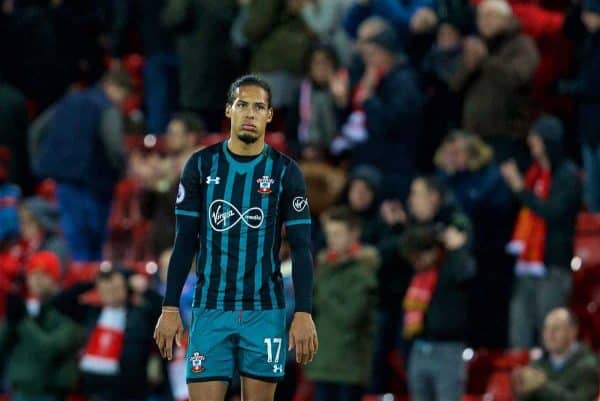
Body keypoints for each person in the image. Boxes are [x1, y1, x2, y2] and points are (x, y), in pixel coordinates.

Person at [153, 75, 318, 401]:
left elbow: (301, 247)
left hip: (265, 312)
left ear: (270, 115)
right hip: (210, 309)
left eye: (259, 107)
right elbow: (184, 241)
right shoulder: (200, 166)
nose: (250, 113)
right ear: (229, 110)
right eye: (243, 104)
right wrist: (170, 306)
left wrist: (303, 312)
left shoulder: (286, 172)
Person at [29, 71, 131, 261]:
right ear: (113, 87)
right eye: (123, 96)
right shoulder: (106, 107)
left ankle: (78, 283)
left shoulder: (68, 101)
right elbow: (115, 146)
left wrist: (39, 164)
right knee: (94, 244)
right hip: (95, 186)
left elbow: (37, 131)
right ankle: (90, 285)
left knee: (74, 242)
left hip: (65, 184)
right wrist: (123, 171)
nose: (122, 103)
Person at [501, 115, 581, 348]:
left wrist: (520, 190)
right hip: (525, 265)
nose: (530, 143)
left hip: (551, 266)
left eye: (536, 139)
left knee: (551, 337)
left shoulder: (567, 175)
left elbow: (555, 212)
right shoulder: (533, 173)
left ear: (549, 141)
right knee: (519, 333)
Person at [450, 0, 539, 164]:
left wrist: (485, 61)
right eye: (481, 17)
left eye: (491, 16)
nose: (485, 22)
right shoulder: (478, 45)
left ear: (507, 19)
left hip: (506, 135)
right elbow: (454, 85)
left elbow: (516, 77)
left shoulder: (522, 45)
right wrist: (468, 66)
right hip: (473, 135)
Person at [306, 206, 378, 401]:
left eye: (338, 234)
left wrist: (322, 291)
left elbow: (349, 317)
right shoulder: (325, 265)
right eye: (329, 234)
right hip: (323, 363)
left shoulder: (363, 271)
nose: (332, 240)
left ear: (354, 233)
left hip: (350, 367)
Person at [402, 224, 476, 401]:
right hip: (420, 348)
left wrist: (458, 249)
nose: (416, 263)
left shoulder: (452, 265)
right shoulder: (418, 275)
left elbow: (467, 272)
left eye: (419, 257)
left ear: (433, 251)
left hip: (448, 351)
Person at [0, 251, 84, 401]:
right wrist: (9, 321)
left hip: (51, 394)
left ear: (55, 279)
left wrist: (22, 321)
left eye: (44, 274)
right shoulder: (23, 309)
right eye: (33, 274)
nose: (37, 280)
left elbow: (49, 349)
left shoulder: (68, 310)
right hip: (19, 392)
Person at [513, 308, 599, 401]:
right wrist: (522, 388)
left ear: (572, 332)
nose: (549, 334)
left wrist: (543, 386)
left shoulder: (589, 365)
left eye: (556, 328)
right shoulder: (537, 364)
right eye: (546, 328)